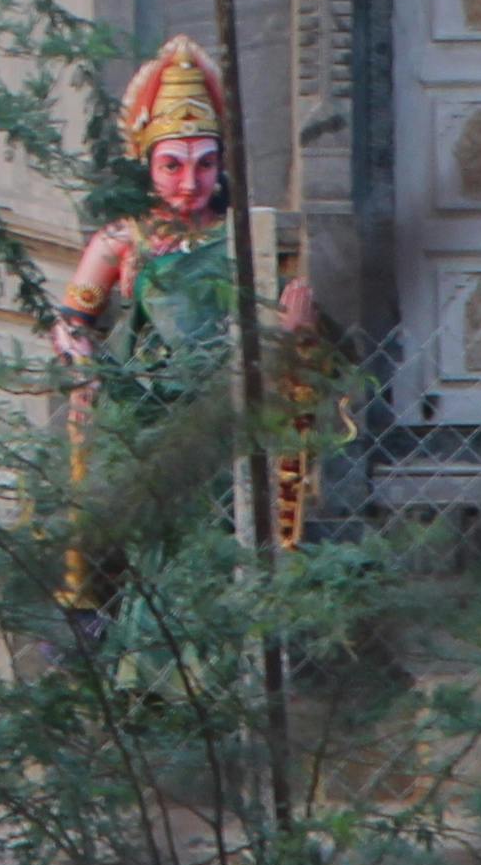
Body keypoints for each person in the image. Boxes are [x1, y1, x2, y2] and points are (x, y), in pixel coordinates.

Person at [54, 38, 330, 609]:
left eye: (205, 166)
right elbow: (71, 318)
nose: (189, 183)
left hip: (217, 414)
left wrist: (298, 335)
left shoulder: (248, 242)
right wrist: (84, 365)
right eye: (172, 166)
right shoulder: (121, 240)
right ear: (148, 164)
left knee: (215, 540)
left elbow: (277, 330)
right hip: (141, 414)